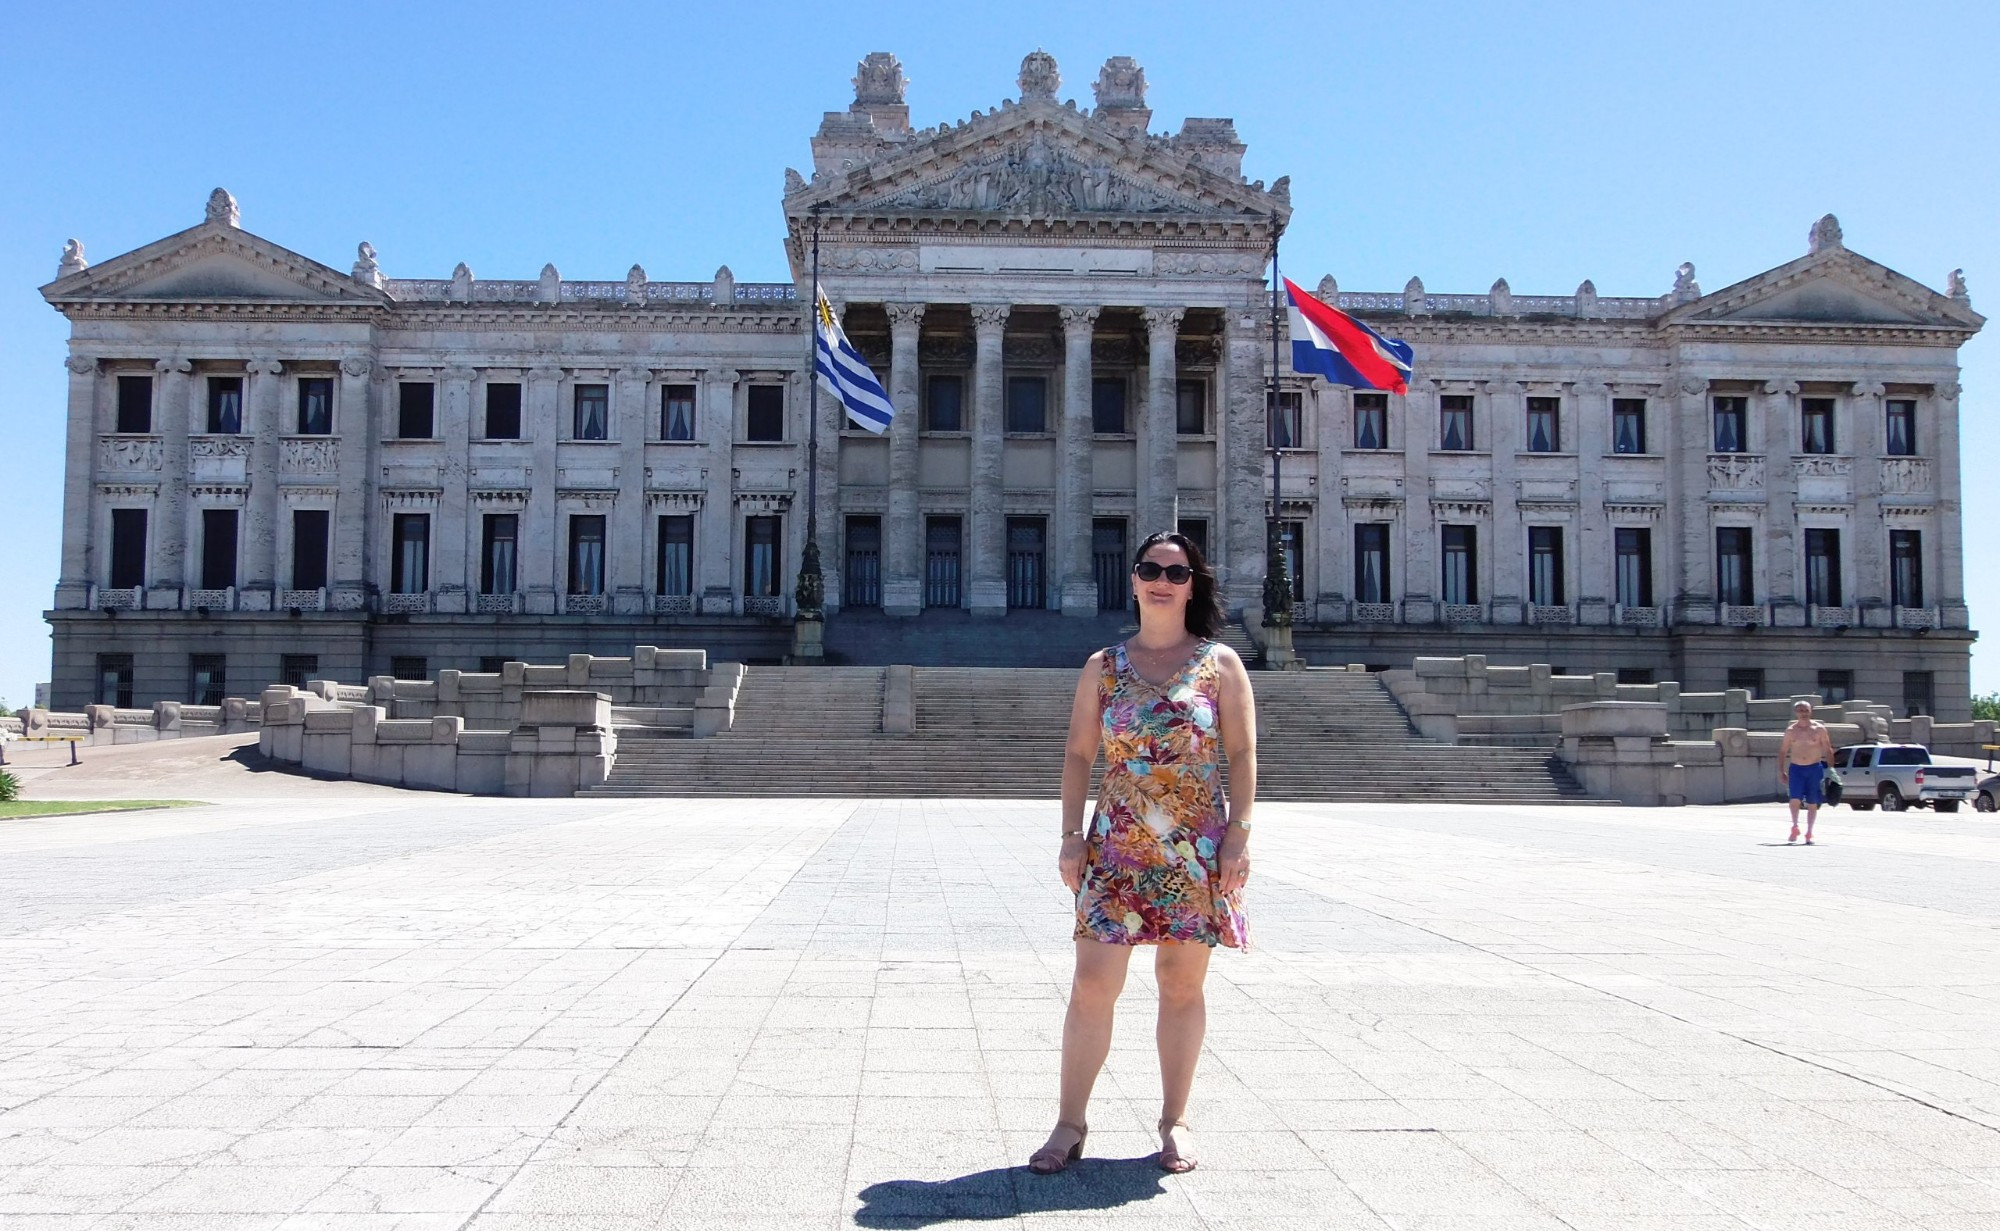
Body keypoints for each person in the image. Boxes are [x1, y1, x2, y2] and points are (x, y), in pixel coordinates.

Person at [1029, 531, 1256, 1176]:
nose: (1162, 580)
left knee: (1181, 984)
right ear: (1132, 581)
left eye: (1176, 572)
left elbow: (1242, 753)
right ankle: (1070, 1123)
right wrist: (1072, 835)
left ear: (1193, 584)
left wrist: (1239, 834)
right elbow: (1079, 753)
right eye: (1149, 568)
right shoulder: (1104, 666)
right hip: (1119, 843)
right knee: (1092, 983)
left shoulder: (1220, 664)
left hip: (1194, 847)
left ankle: (1174, 1120)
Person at [1778, 699, 1836, 844]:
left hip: (1814, 768)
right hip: (1796, 768)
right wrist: (1781, 771)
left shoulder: (1819, 729)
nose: (1803, 713)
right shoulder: (1791, 731)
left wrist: (1831, 770)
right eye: (1800, 710)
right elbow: (1783, 751)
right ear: (1796, 713)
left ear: (1810, 711)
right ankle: (1795, 825)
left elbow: (1828, 749)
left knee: (1813, 801)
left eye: (1806, 710)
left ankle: (1809, 832)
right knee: (1794, 799)